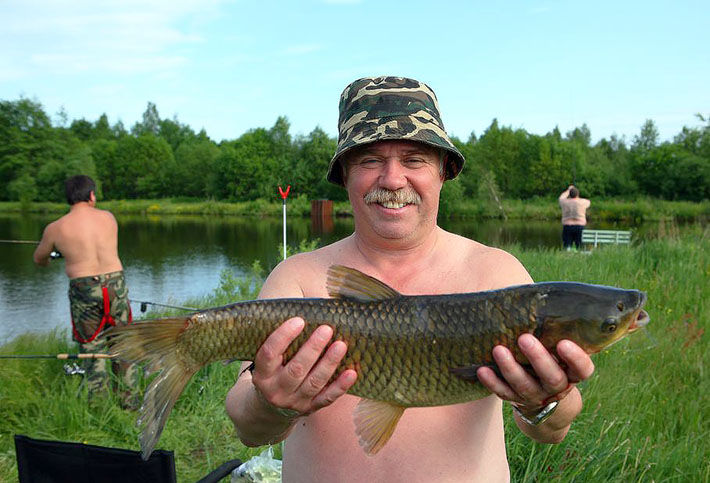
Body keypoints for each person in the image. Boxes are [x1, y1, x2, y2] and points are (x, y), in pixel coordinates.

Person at [226, 76, 595, 482]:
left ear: (443, 172)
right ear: (345, 176)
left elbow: (549, 431)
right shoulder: (298, 277)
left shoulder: (496, 274)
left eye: (414, 159)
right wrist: (271, 404)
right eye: (369, 160)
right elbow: (248, 426)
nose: (392, 179)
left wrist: (546, 402)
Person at [33, 175, 136, 407]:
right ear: (91, 195)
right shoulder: (108, 218)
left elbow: (39, 259)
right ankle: (129, 402)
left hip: (83, 288)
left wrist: (55, 253)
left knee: (91, 344)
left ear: (69, 197)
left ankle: (98, 404)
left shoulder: (55, 228)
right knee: (123, 341)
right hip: (115, 285)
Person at [558, 185, 591, 250]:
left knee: (567, 245)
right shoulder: (583, 202)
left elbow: (561, 197)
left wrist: (569, 190)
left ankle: (567, 256)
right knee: (579, 245)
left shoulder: (564, 202)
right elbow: (588, 202)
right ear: (578, 194)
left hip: (567, 226)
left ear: (569, 194)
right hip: (580, 226)